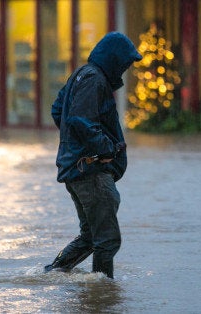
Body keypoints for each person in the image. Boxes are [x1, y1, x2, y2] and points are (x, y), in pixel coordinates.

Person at [45, 32, 142, 279]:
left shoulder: (82, 74)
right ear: (114, 59)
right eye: (125, 64)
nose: (125, 69)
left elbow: (59, 111)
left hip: (78, 171)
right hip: (91, 172)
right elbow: (80, 120)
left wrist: (75, 144)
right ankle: (102, 296)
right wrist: (104, 149)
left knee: (91, 237)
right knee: (107, 240)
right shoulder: (94, 80)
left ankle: (51, 275)